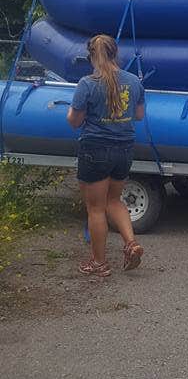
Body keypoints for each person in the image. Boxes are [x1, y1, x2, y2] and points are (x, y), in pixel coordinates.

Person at [67, 34, 145, 277]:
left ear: (92, 55)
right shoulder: (133, 82)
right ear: (115, 53)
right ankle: (131, 243)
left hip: (96, 149)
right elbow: (139, 115)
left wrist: (71, 111)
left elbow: (75, 121)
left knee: (96, 208)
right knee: (114, 200)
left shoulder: (87, 84)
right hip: (124, 149)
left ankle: (99, 263)